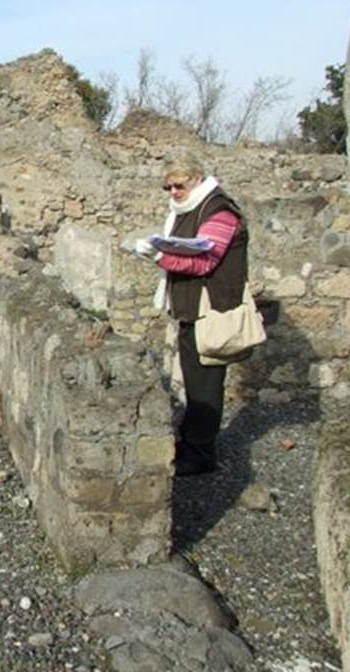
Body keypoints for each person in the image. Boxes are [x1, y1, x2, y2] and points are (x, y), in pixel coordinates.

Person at [135, 153, 249, 476]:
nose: (173, 192)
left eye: (178, 185)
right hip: (191, 308)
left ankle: (201, 454)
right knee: (194, 379)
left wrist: (160, 256)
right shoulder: (187, 209)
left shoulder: (219, 212)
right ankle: (192, 444)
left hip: (212, 309)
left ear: (197, 180)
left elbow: (204, 262)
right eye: (168, 187)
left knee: (206, 384)